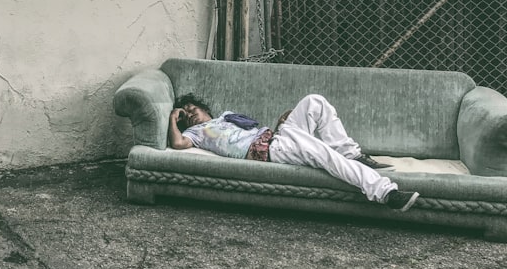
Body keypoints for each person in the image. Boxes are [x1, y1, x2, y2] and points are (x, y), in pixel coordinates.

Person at [168, 92, 420, 212]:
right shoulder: (197, 133)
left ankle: (351, 154)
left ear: (203, 108)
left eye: (192, 109)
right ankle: (386, 192)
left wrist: (280, 124)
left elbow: (254, 130)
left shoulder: (225, 116)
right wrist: (173, 118)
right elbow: (178, 144)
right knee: (323, 154)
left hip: (277, 137)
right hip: (270, 151)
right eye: (186, 115)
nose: (190, 115)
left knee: (315, 102)